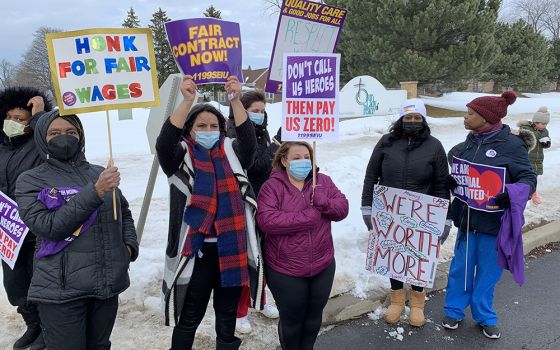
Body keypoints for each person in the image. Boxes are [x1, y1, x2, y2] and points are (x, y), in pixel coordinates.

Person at [15, 110, 139, 349]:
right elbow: (48, 226)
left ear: (81, 136)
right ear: (43, 138)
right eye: (55, 133)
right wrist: (95, 192)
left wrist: (128, 248)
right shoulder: (30, 180)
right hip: (61, 292)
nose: (64, 137)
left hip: (105, 287)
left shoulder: (98, 173)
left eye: (71, 132)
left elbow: (122, 211)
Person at [157, 75, 263, 350]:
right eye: (201, 125)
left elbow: (249, 142)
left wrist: (236, 101)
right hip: (197, 252)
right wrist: (187, 100)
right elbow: (163, 143)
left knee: (227, 316)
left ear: (222, 129)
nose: (208, 130)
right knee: (190, 316)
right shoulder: (180, 157)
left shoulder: (233, 153)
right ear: (190, 130)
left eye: (214, 126)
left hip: (231, 247)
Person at [442, 92, 536, 339]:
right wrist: (453, 181)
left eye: (471, 113)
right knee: (460, 268)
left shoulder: (512, 146)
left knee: (487, 272)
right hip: (467, 220)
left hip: (494, 224)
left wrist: (513, 194)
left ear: (486, 118)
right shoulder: (471, 141)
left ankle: (484, 315)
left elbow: (528, 178)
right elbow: (462, 168)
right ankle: (453, 309)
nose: (466, 117)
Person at [360, 98, 451, 327]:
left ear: (423, 120)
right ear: (401, 119)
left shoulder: (434, 146)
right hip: (390, 212)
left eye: (417, 118)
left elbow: (441, 183)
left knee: (418, 257)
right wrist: (367, 207)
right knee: (395, 255)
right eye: (408, 117)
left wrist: (445, 218)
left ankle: (418, 304)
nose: (412, 121)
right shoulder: (386, 143)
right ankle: (397, 300)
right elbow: (371, 175)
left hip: (422, 214)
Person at [257, 141, 349, 350]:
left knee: (313, 317)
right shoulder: (272, 186)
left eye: (306, 157)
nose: (303, 162)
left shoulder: (323, 182)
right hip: (285, 270)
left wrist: (324, 202)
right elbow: (267, 221)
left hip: (322, 265)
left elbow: (342, 208)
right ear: (284, 160)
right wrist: (307, 217)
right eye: (296, 157)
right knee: (292, 321)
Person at [0, 86, 52, 350]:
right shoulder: (1, 147)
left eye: (21, 119)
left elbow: (51, 141)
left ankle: (47, 329)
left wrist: (41, 115)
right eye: (10, 117)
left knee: (39, 281)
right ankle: (32, 324)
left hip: (35, 227)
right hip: (8, 231)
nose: (14, 123)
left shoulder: (40, 143)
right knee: (15, 284)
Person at [226, 90, 280, 334]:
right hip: (244, 205)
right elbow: (256, 167)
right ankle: (240, 312)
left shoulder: (263, 132)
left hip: (264, 204)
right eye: (254, 111)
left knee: (263, 257)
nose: (259, 115)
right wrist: (277, 146)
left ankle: (260, 300)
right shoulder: (234, 133)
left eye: (262, 111)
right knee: (249, 258)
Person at [517, 106, 551, 205]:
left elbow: (546, 141)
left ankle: (533, 193)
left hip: (537, 158)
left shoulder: (544, 131)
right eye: (543, 124)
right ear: (536, 122)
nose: (545, 126)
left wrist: (547, 143)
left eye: (546, 124)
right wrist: (540, 136)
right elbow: (527, 138)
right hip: (526, 158)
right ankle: (522, 192)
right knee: (525, 175)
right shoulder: (526, 129)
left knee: (534, 177)